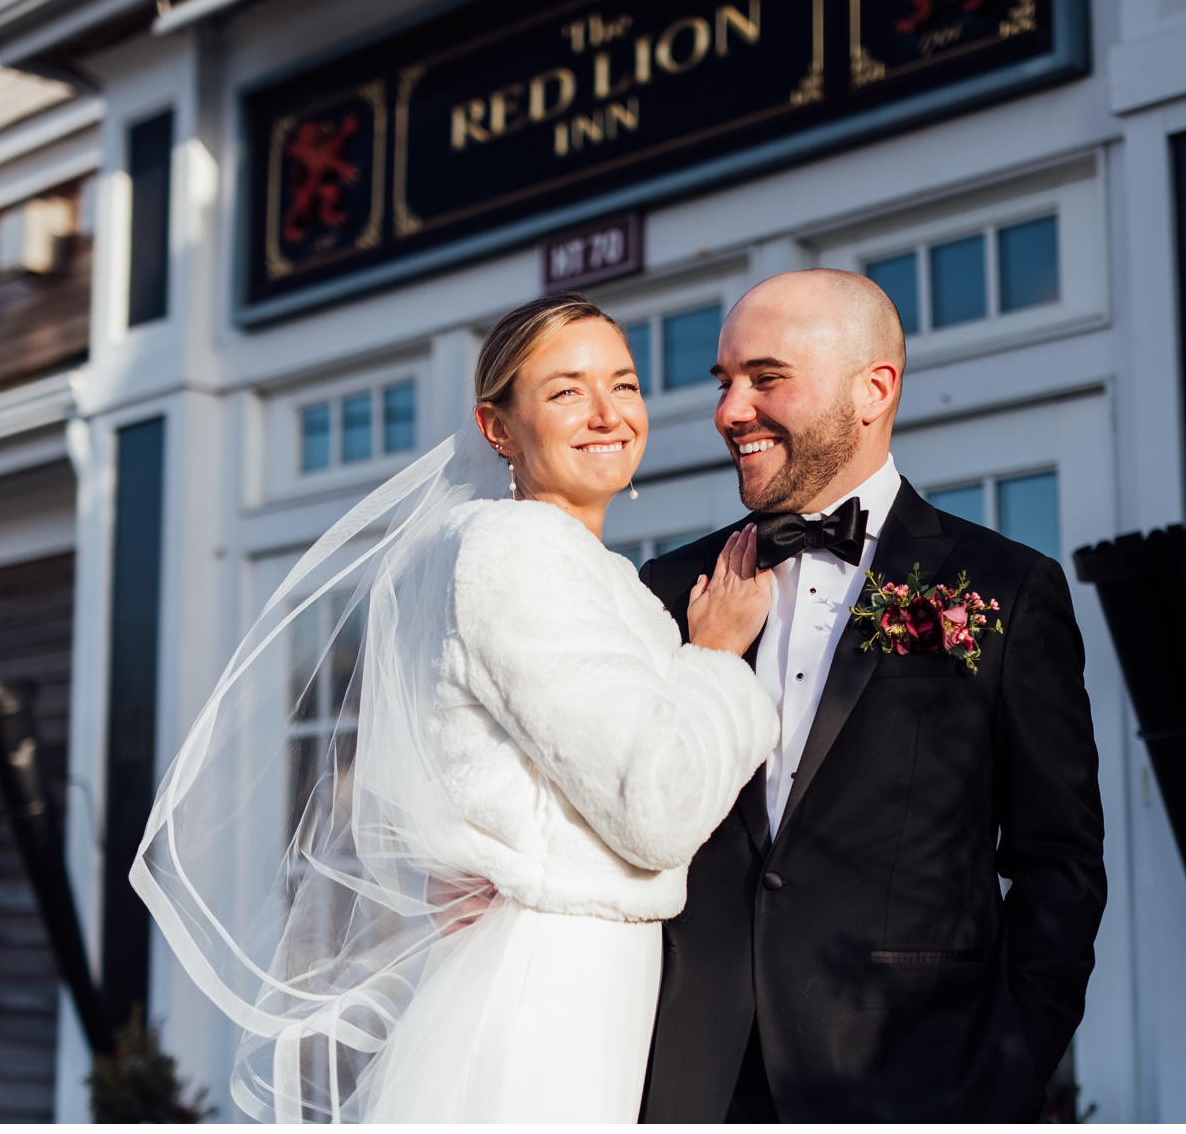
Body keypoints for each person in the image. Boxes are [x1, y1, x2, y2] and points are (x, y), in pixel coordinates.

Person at [132, 294, 779, 1122]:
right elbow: (653, 804)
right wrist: (717, 659)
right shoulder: (519, 553)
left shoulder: (583, 566)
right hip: (553, 979)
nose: (607, 413)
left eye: (624, 384)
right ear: (496, 428)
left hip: (577, 963)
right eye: (565, 391)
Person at [637, 269, 1107, 1121]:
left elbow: (1059, 862)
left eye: (765, 378)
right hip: (687, 1081)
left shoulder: (1003, 587)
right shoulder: (669, 590)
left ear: (873, 389)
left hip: (916, 1081)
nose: (729, 411)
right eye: (724, 382)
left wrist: (1009, 1065)